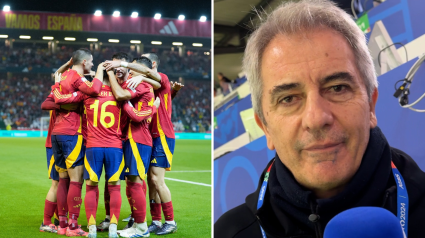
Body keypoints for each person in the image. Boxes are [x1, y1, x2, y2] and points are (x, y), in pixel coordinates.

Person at [214, 0, 425, 238]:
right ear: (265, 128)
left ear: (371, 106)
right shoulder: (230, 232)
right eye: (288, 99)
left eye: (337, 88)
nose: (316, 119)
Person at [116, 53, 180, 235]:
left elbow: (158, 84)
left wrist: (136, 73)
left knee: (157, 180)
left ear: (152, 64)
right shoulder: (147, 84)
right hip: (148, 135)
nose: (134, 69)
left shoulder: (162, 78)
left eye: (137, 65)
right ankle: (156, 220)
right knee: (150, 181)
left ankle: (170, 221)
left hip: (162, 135)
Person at [51, 48, 101, 236]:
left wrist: (62, 93)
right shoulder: (77, 79)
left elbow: (56, 96)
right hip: (72, 133)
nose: (92, 65)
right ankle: (73, 227)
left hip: (57, 132)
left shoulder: (63, 77)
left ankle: (62, 224)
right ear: (84, 62)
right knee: (76, 181)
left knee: (63, 179)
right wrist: (83, 94)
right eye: (91, 62)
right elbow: (95, 90)